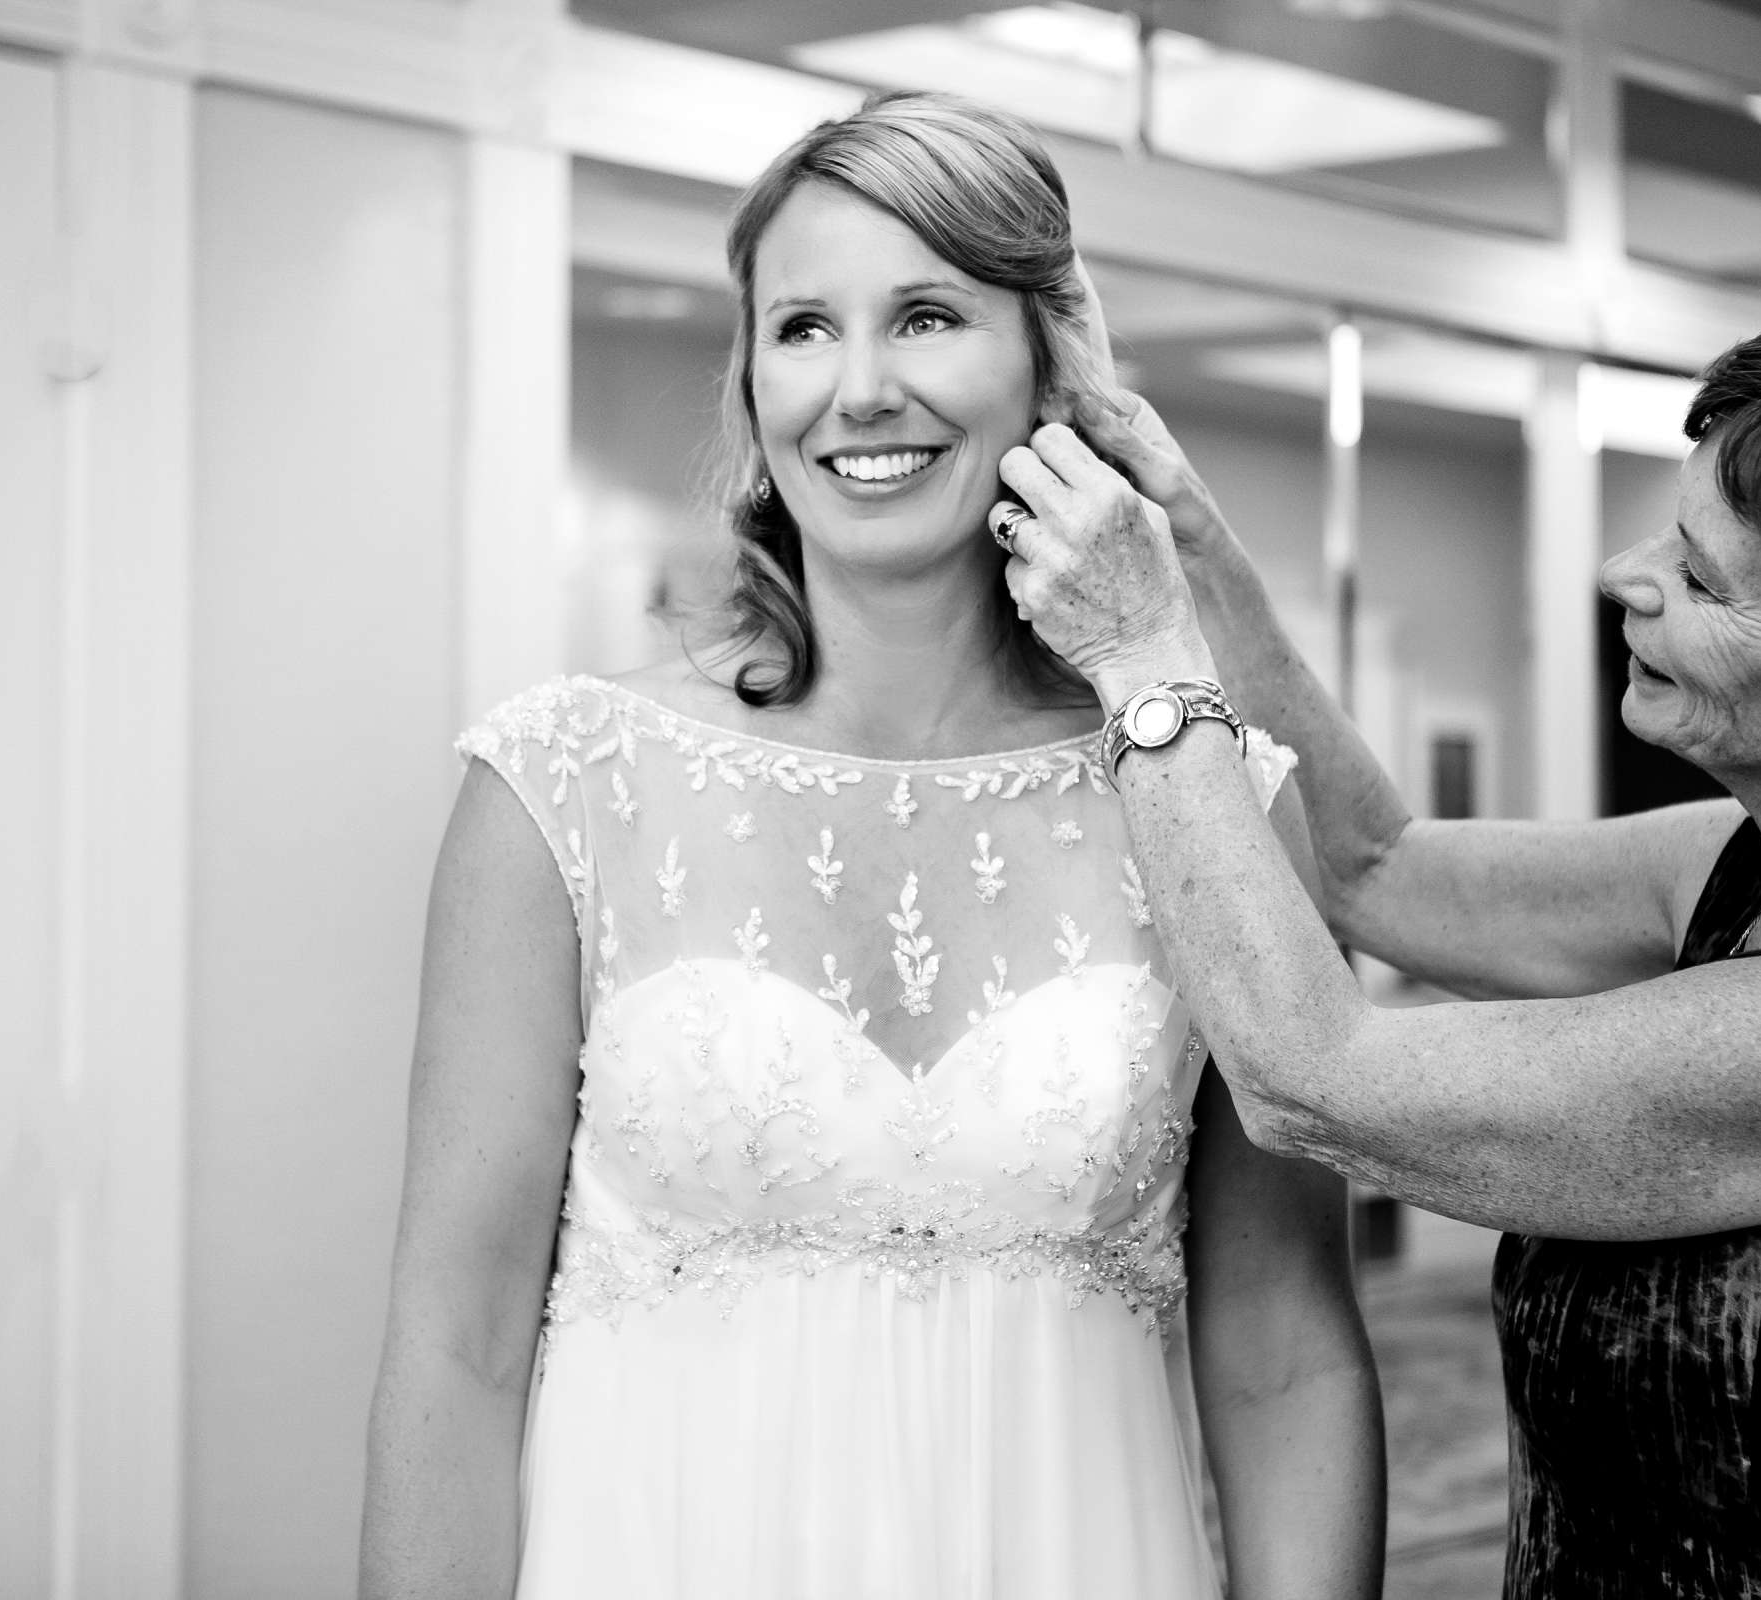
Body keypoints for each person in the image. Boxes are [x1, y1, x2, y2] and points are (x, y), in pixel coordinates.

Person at [359, 92, 1383, 1600]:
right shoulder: (563, 785)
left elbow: (1286, 1357)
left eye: (924, 316)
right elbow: (454, 1350)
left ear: (1048, 361)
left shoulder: (1213, 795)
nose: (857, 389)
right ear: (753, 377)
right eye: (803, 328)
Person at [996, 270, 1761, 1598]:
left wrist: (1147, 665)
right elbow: (1378, 866)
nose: (1624, 577)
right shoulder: (1754, 865)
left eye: (1703, 581)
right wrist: (1192, 546)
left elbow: (1311, 1079)